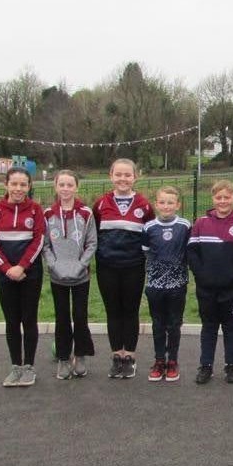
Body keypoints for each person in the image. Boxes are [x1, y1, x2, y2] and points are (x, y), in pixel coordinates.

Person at [187, 180, 233, 384]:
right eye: (219, 197)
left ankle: (231, 366)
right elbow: (192, 252)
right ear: (213, 199)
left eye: (227, 197)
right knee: (208, 326)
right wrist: (201, 274)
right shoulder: (200, 223)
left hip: (231, 289)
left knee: (231, 327)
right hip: (206, 288)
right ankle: (206, 366)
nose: (223, 201)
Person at [93, 158, 154, 379]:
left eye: (127, 175)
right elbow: (93, 234)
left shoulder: (144, 205)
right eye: (118, 174)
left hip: (133, 267)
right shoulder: (100, 204)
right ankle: (116, 355)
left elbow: (151, 233)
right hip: (107, 266)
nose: (123, 179)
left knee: (130, 310)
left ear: (135, 177)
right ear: (111, 176)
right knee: (113, 311)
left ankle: (129, 356)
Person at [0, 167, 45, 387]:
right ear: (6, 185)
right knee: (12, 321)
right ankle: (15, 366)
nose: (18, 188)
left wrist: (21, 267)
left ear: (29, 186)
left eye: (23, 184)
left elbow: (38, 240)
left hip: (30, 274)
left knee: (29, 319)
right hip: (5, 275)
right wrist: (6, 268)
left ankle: (29, 366)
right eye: (14, 184)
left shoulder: (36, 210)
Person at [44, 170, 97, 380]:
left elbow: (92, 243)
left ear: (77, 187)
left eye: (69, 185)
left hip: (80, 275)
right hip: (57, 276)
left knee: (80, 316)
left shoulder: (86, 213)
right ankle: (64, 358)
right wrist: (53, 265)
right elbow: (45, 245)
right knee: (62, 318)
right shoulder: (47, 214)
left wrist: (81, 264)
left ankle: (80, 355)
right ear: (55, 187)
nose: (65, 189)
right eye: (61, 185)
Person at [142, 186, 191, 383]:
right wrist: (157, 272)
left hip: (177, 284)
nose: (166, 206)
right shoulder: (148, 227)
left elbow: (189, 251)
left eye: (170, 202)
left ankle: (173, 362)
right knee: (158, 324)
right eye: (162, 202)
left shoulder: (185, 226)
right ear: (156, 204)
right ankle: (159, 360)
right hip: (155, 284)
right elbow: (146, 251)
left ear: (178, 205)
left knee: (174, 323)